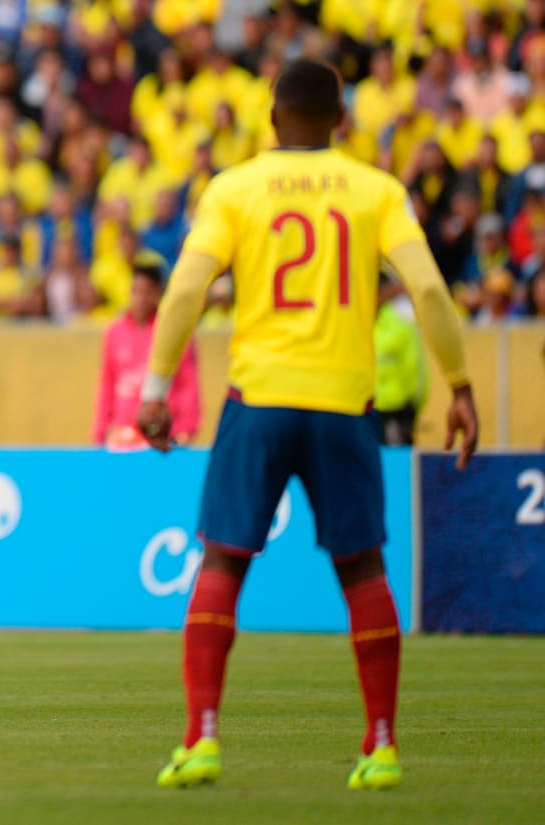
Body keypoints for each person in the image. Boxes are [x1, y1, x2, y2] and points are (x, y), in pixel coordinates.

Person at [135, 59, 478, 792]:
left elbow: (188, 286)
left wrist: (156, 387)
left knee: (224, 560)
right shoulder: (376, 190)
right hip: (345, 403)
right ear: (343, 121)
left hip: (257, 398)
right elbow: (425, 286)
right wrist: (460, 385)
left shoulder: (235, 188)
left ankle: (202, 738)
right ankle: (382, 744)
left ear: (270, 117)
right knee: (363, 570)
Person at [92, 254, 198, 451]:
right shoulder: (114, 332)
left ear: (158, 294)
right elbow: (107, 383)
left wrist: (186, 430)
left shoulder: (172, 332)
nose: (140, 299)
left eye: (147, 292)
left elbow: (187, 382)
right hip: (122, 437)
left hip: (163, 437)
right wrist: (100, 432)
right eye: (136, 291)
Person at [374, 276, 428, 446]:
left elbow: (416, 372)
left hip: (396, 411)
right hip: (363, 411)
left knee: (395, 463)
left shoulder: (401, 326)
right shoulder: (355, 324)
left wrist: (412, 410)